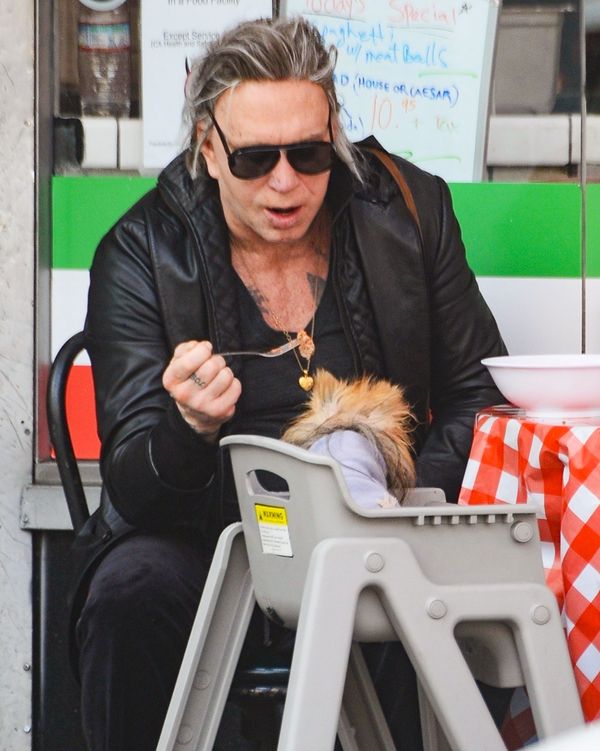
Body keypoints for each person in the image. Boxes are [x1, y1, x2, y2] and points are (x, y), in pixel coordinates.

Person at [72, 15, 508, 751]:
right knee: (128, 595)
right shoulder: (140, 251)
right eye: (254, 159)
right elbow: (133, 481)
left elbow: (479, 396)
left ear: (334, 130)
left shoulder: (407, 210)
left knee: (430, 585)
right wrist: (187, 428)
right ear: (208, 149)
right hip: (208, 534)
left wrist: (400, 495)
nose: (286, 182)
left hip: (374, 519)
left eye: (310, 153)